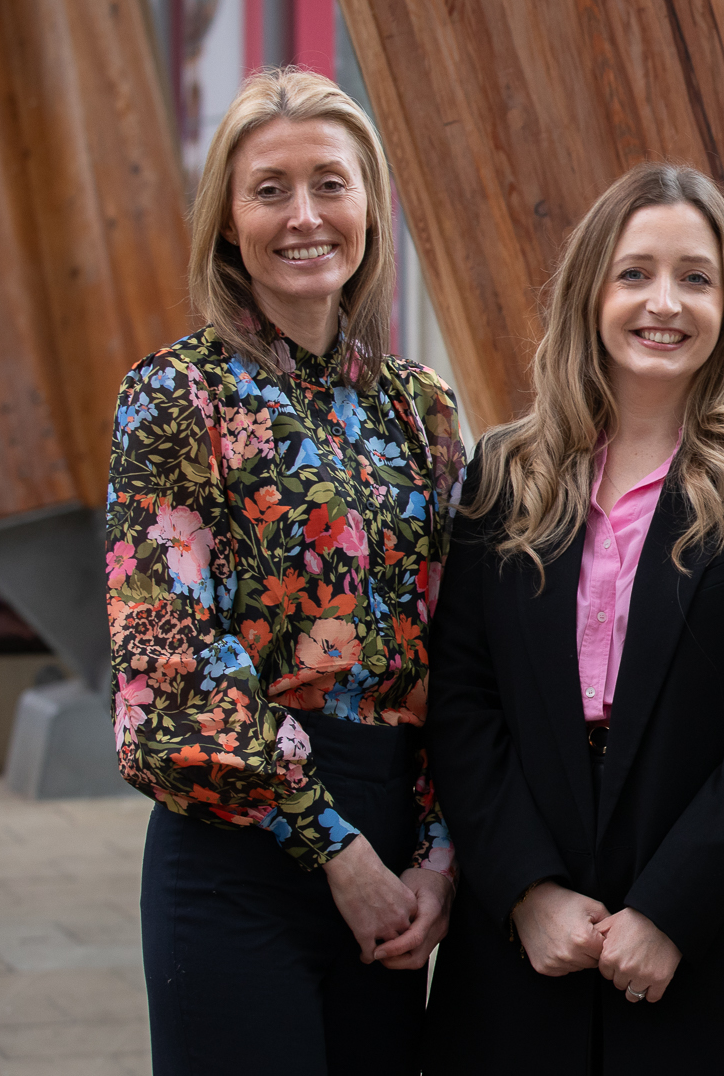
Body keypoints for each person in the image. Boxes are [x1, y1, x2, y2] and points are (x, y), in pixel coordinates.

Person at [424, 163, 724, 1073]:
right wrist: (523, 890)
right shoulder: (505, 472)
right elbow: (462, 701)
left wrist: (673, 907)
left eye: (695, 277)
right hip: (528, 955)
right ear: (591, 291)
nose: (664, 302)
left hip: (722, 940)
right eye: (635, 273)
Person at [108, 67, 467, 1076]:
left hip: (397, 864)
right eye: (269, 189)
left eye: (331, 184)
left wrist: (437, 858)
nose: (304, 216)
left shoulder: (419, 408)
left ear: (370, 208)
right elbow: (165, 656)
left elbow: (453, 643)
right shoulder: (176, 396)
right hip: (238, 853)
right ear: (227, 224)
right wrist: (335, 850)